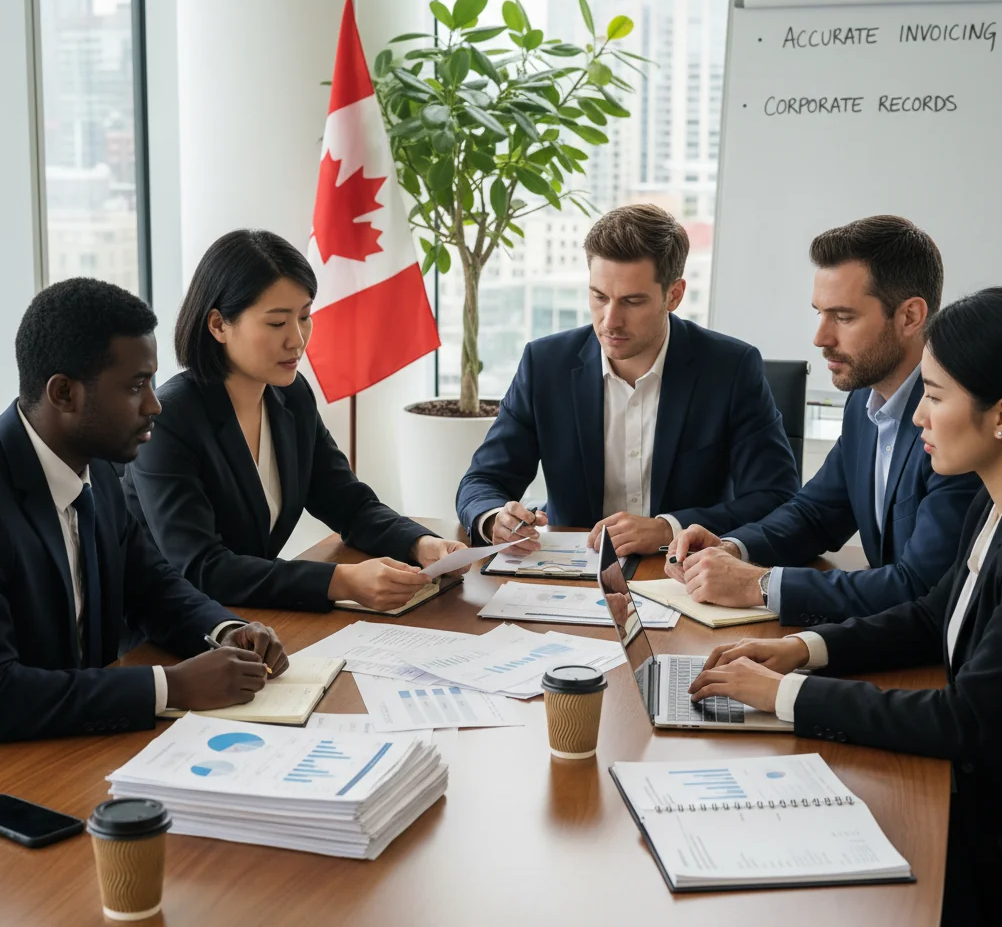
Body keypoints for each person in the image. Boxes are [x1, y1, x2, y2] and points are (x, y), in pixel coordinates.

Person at [687, 287, 1002, 923]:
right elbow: (932, 615)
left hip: (993, 843)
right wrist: (801, 650)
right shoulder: (993, 501)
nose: (919, 415)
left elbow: (967, 721)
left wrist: (783, 697)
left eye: (938, 396)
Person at [1, 279, 290, 743]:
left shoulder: (96, 470)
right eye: (137, 386)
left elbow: (153, 587)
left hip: (85, 749)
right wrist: (170, 686)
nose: (155, 404)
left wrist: (226, 631)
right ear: (63, 394)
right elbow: (5, 693)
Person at [123, 230, 466, 613]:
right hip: (169, 631)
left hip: (251, 618)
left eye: (304, 317)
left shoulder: (291, 395)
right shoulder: (170, 419)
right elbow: (202, 568)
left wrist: (421, 544)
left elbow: (347, 503)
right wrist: (340, 581)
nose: (297, 340)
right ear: (218, 325)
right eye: (276, 323)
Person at [665, 215, 979, 625]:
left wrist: (758, 584)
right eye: (819, 313)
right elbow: (816, 513)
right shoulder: (865, 401)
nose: (820, 338)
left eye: (843, 317)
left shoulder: (955, 422)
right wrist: (733, 548)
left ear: (910, 316)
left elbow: (920, 585)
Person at [456, 204, 800, 556]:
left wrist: (668, 527)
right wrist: (494, 517)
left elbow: (776, 497)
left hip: (685, 572)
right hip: (570, 569)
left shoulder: (731, 368)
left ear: (674, 295)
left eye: (632, 301)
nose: (610, 321)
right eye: (599, 297)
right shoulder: (545, 365)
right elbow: (483, 481)